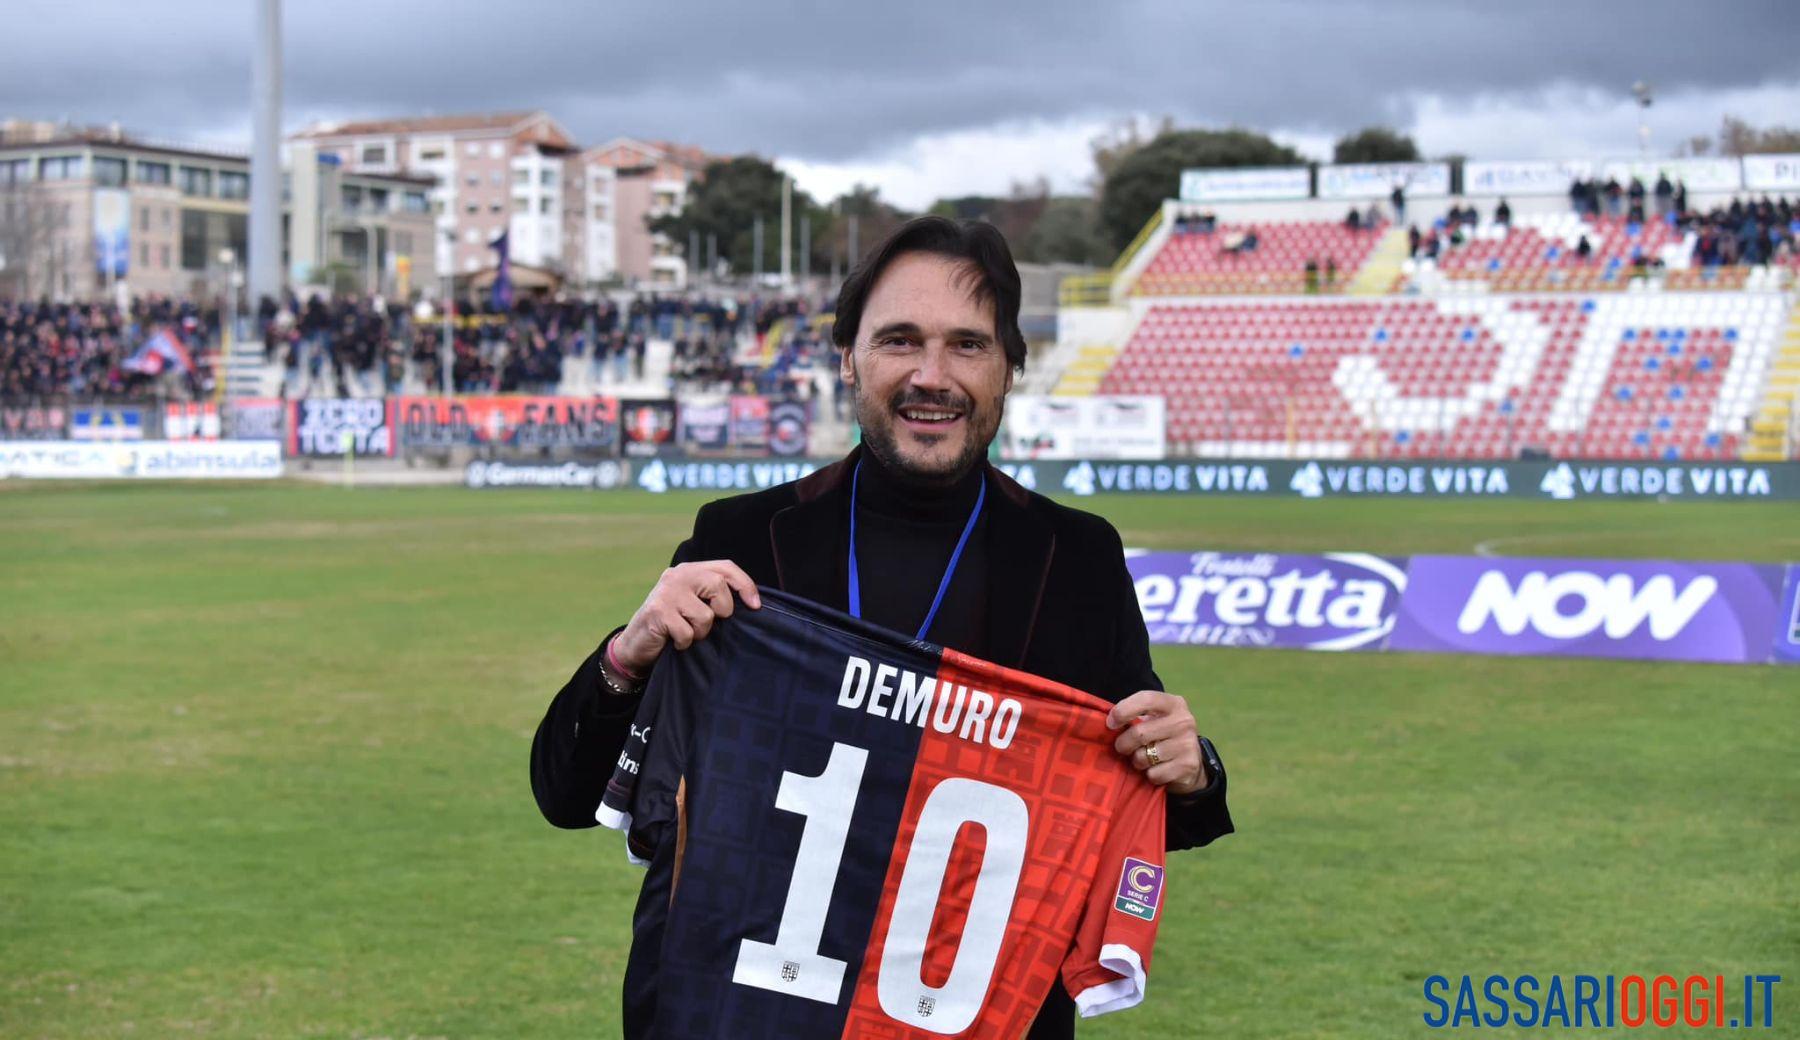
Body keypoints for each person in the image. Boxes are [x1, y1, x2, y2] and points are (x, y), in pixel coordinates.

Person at [530, 217, 1233, 1039]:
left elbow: (1135, 793)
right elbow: (568, 791)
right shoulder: (742, 541)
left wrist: (1192, 767)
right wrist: (629, 654)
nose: (931, 376)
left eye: (968, 345)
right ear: (846, 357)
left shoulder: (1076, 558)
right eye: (899, 340)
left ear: (1011, 367)